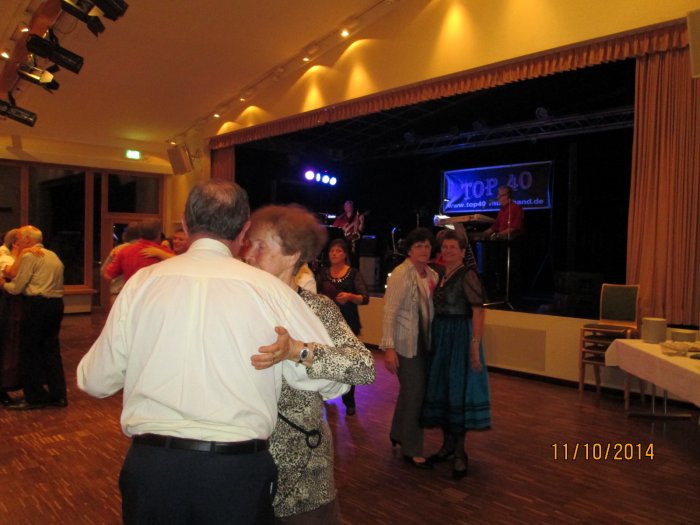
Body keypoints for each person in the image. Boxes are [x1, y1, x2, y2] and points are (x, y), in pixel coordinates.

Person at [77, 180, 345, 525]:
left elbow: (95, 381)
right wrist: (293, 354)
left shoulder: (142, 284)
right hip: (236, 472)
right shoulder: (272, 292)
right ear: (244, 229)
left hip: (154, 469)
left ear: (185, 223)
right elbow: (333, 383)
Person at [245, 205, 374, 524]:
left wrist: (298, 350)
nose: (248, 254)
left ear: (292, 255)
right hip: (244, 463)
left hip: (304, 467)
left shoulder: (318, 308)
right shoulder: (240, 304)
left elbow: (364, 366)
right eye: (249, 244)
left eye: (261, 246)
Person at [421, 229, 490, 478]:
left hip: (459, 336)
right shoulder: (441, 275)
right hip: (441, 335)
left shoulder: (467, 274)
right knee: (443, 389)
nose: (448, 250)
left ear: (462, 252)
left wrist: (474, 344)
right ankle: (448, 445)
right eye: (445, 247)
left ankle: (460, 453)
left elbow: (478, 311)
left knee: (457, 392)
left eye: (453, 247)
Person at [380, 227, 438, 469]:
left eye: (427, 246)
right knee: (416, 394)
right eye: (418, 246)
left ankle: (398, 432)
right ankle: (412, 449)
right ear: (410, 250)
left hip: (425, 342)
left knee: (411, 391)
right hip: (405, 343)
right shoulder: (401, 274)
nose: (424, 250)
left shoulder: (432, 274)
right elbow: (390, 311)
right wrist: (389, 348)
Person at [2, 225, 67, 410]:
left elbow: (17, 288)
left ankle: (34, 397)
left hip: (36, 306)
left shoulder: (30, 256)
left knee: (29, 352)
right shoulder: (53, 256)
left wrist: (3, 284)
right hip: (56, 305)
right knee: (51, 350)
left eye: (19, 238)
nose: (17, 242)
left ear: (28, 240)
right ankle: (58, 395)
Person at [316, 238, 370, 416]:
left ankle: (349, 400)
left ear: (345, 254)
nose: (334, 253)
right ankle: (325, 394)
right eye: (332, 251)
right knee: (326, 359)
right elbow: (314, 295)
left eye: (338, 251)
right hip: (326, 323)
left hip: (348, 322)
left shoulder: (353, 273)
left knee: (348, 361)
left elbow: (365, 298)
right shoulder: (323, 273)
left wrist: (350, 296)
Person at [102, 218, 173, 283]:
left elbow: (108, 275)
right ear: (158, 234)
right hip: (156, 292)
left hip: (131, 291)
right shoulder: (165, 252)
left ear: (141, 233)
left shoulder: (124, 251)